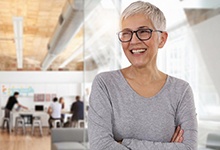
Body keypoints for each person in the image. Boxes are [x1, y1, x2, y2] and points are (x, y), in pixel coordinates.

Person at [88, 1, 198, 150]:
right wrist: (169, 147)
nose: (133, 41)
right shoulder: (105, 84)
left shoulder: (181, 91)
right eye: (126, 33)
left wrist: (125, 143)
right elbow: (100, 146)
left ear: (162, 39)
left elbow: (189, 148)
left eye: (143, 32)